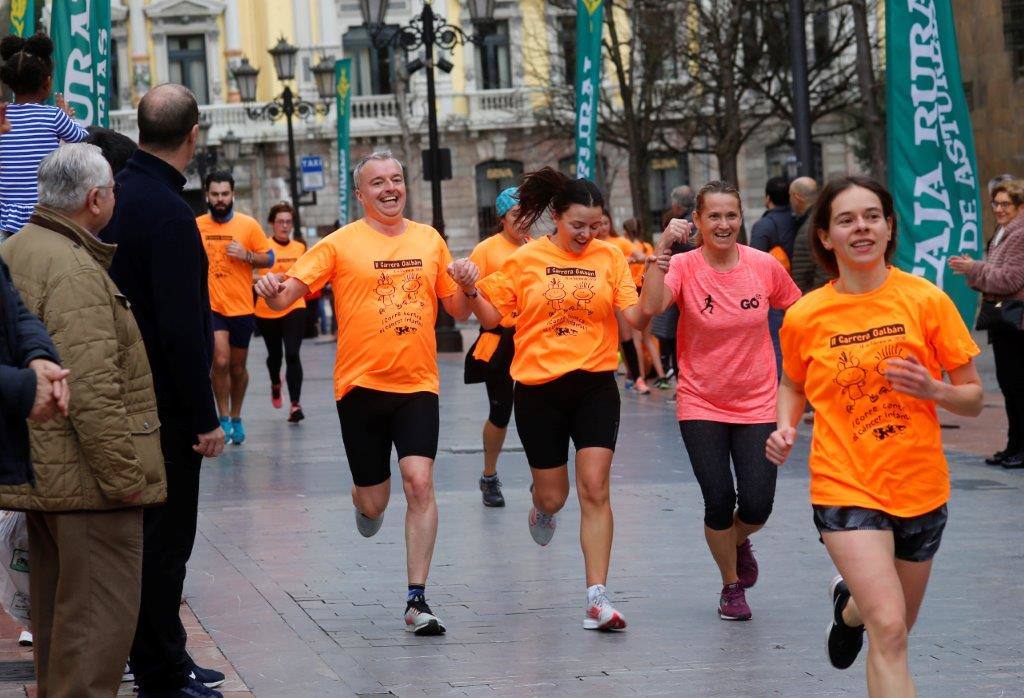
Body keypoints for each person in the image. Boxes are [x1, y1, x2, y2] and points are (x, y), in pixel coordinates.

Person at [766, 175, 983, 694]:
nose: (860, 227)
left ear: (888, 228)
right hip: (846, 485)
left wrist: (935, 389)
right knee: (890, 629)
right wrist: (784, 425)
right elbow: (792, 383)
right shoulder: (805, 315)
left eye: (871, 216)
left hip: (920, 487)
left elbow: (972, 396)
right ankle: (861, 609)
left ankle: (848, 610)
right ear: (825, 236)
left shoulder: (925, 300)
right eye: (845, 219)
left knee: (894, 624)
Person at [255, 150, 473, 636]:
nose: (390, 188)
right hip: (359, 387)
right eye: (378, 183)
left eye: (397, 179)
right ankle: (363, 502)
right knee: (375, 502)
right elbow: (288, 294)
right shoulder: (339, 244)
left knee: (419, 482)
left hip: (418, 384)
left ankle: (417, 599)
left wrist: (470, 288)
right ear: (360, 194)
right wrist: (270, 287)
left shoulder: (429, 240)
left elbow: (457, 310)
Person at [0, 143, 168, 697]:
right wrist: (126, 481)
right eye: (113, 190)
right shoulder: (73, 268)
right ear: (96, 200)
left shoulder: (21, 247)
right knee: (95, 633)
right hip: (87, 483)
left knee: (59, 631)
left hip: (46, 474)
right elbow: (92, 390)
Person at [453, 167, 645, 631]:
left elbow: (636, 316)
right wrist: (470, 287)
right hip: (539, 390)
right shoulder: (526, 259)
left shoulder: (611, 257)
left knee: (595, 488)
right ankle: (541, 506)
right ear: (556, 217)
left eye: (594, 226)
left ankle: (597, 597)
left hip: (596, 384)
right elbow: (494, 316)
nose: (586, 234)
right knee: (556, 496)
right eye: (577, 224)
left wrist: (659, 277)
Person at [101, 83, 226, 698]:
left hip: (126, 394)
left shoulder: (120, 196)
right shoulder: (172, 213)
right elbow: (181, 328)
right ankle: (160, 672)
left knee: (153, 541)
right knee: (167, 543)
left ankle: (168, 656)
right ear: (193, 135)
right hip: (165, 408)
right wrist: (206, 418)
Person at [639, 180, 801, 622]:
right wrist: (662, 249)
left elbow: (800, 313)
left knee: (756, 504)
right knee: (717, 499)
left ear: (741, 217)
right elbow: (651, 305)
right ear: (697, 221)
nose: (724, 224)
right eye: (714, 216)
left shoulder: (763, 266)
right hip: (701, 402)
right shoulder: (685, 266)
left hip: (758, 402)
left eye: (731, 215)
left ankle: (736, 538)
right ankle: (731, 585)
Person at [950, 179, 1024, 468]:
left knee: (1018, 387)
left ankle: (1020, 449)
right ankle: (1013, 446)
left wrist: (974, 268)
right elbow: (998, 273)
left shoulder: (1019, 233)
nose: (999, 209)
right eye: (995, 203)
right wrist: (976, 269)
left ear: (1019, 206)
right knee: (1009, 386)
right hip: (1004, 320)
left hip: (1016, 321)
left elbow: (1011, 279)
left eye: (1006, 204)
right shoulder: (1004, 232)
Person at [464, 186, 530, 507]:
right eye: (517, 215)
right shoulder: (486, 250)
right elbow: (471, 297)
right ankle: (489, 475)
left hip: (534, 339)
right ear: (502, 218)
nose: (523, 221)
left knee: (536, 410)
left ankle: (542, 474)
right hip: (498, 339)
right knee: (501, 411)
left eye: (528, 215)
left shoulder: (540, 248)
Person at [197, 171, 274, 445]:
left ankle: (237, 416)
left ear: (233, 195)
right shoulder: (197, 225)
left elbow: (270, 258)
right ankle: (223, 416)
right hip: (211, 307)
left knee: (238, 368)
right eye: (215, 194)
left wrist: (248, 255)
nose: (220, 199)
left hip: (241, 307)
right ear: (207, 195)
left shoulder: (248, 225)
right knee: (220, 361)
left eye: (225, 194)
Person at [0, 33, 87, 237]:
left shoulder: (3, 117)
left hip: (4, 217)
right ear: (47, 83)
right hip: (44, 214)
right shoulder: (54, 116)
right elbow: (83, 138)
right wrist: (69, 118)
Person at [255, 202, 307, 423]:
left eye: (288, 222)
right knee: (275, 356)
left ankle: (295, 405)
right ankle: (276, 383)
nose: (285, 226)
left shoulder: (300, 248)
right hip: (266, 310)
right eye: (280, 222)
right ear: (271, 224)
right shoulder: (263, 248)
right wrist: (269, 280)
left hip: (294, 305)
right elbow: (249, 277)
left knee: (293, 354)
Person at [750, 175, 796, 379]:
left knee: (777, 345)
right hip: (802, 290)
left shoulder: (763, 225)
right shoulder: (800, 220)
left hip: (774, 297)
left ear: (767, 198)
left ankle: (780, 393)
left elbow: (754, 263)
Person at [596, 209, 644, 393]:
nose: (601, 227)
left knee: (627, 337)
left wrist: (629, 261)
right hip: (595, 298)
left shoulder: (618, 243)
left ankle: (638, 376)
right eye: (597, 223)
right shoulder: (587, 244)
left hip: (617, 297)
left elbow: (640, 256)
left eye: (605, 223)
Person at [622, 218, 669, 390]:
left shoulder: (626, 247)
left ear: (626, 231)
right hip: (645, 291)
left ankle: (639, 377)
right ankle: (662, 375)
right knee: (648, 339)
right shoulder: (647, 246)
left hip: (633, 292)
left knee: (635, 339)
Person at [787, 177, 830, 294]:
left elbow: (802, 276)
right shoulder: (826, 219)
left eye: (790, 196)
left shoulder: (808, 228)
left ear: (797, 198)